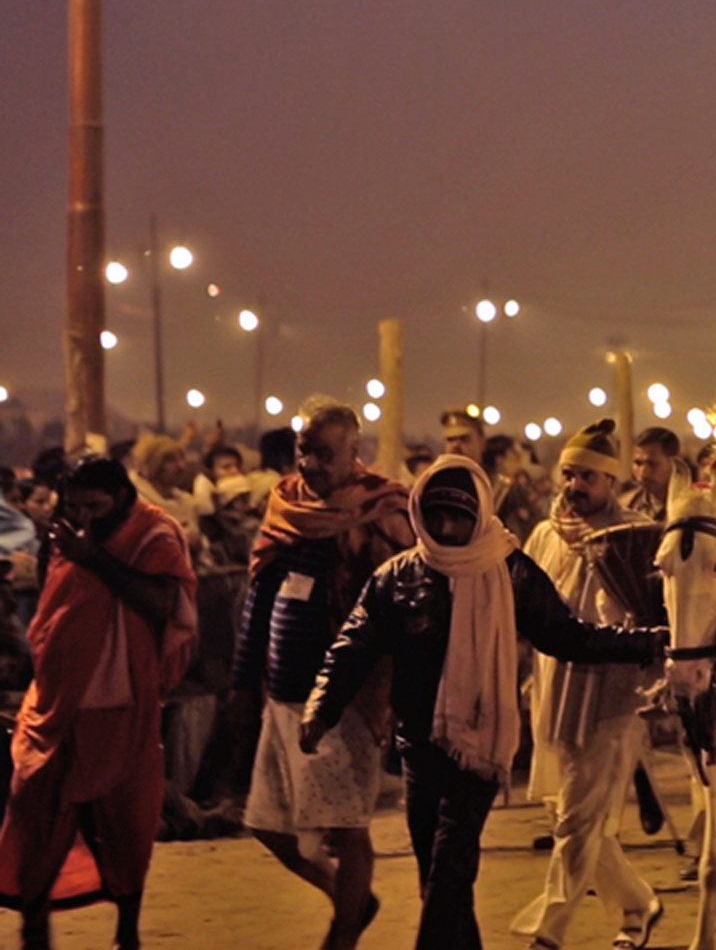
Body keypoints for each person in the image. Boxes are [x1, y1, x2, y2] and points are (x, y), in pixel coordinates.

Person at [303, 457, 667, 949]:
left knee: (450, 869)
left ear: (480, 514)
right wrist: (319, 709)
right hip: (418, 748)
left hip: (479, 747)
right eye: (437, 515)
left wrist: (644, 643)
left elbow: (565, 636)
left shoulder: (510, 571)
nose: (449, 528)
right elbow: (354, 645)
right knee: (439, 877)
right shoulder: (398, 578)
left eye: (459, 515)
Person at [234, 400, 414, 950]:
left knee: (347, 827)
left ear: (353, 452)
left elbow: (402, 612)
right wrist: (244, 676)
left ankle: (342, 936)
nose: (309, 463)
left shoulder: (382, 511)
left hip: (343, 702)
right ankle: (352, 900)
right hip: (282, 696)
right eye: (303, 450)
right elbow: (258, 597)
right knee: (266, 825)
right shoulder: (285, 507)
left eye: (323, 452)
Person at [0, 459, 197, 950]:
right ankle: (33, 929)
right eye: (75, 507)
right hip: (58, 700)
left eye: (96, 506)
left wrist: (93, 557)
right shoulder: (64, 535)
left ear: (123, 497)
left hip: (123, 703)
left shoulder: (155, 536)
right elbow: (54, 607)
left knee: (126, 823)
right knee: (36, 812)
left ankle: (126, 934)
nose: (85, 516)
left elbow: (162, 603)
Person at [510, 419, 668, 950]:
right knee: (574, 814)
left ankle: (548, 934)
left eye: (588, 478)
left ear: (610, 482)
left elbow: (652, 618)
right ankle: (637, 905)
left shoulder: (637, 538)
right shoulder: (544, 534)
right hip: (553, 692)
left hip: (613, 695)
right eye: (569, 474)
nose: (575, 486)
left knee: (577, 820)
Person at [620, 426, 685, 523]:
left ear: (674, 463)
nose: (643, 473)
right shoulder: (626, 506)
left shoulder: (692, 507)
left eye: (652, 464)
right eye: (638, 463)